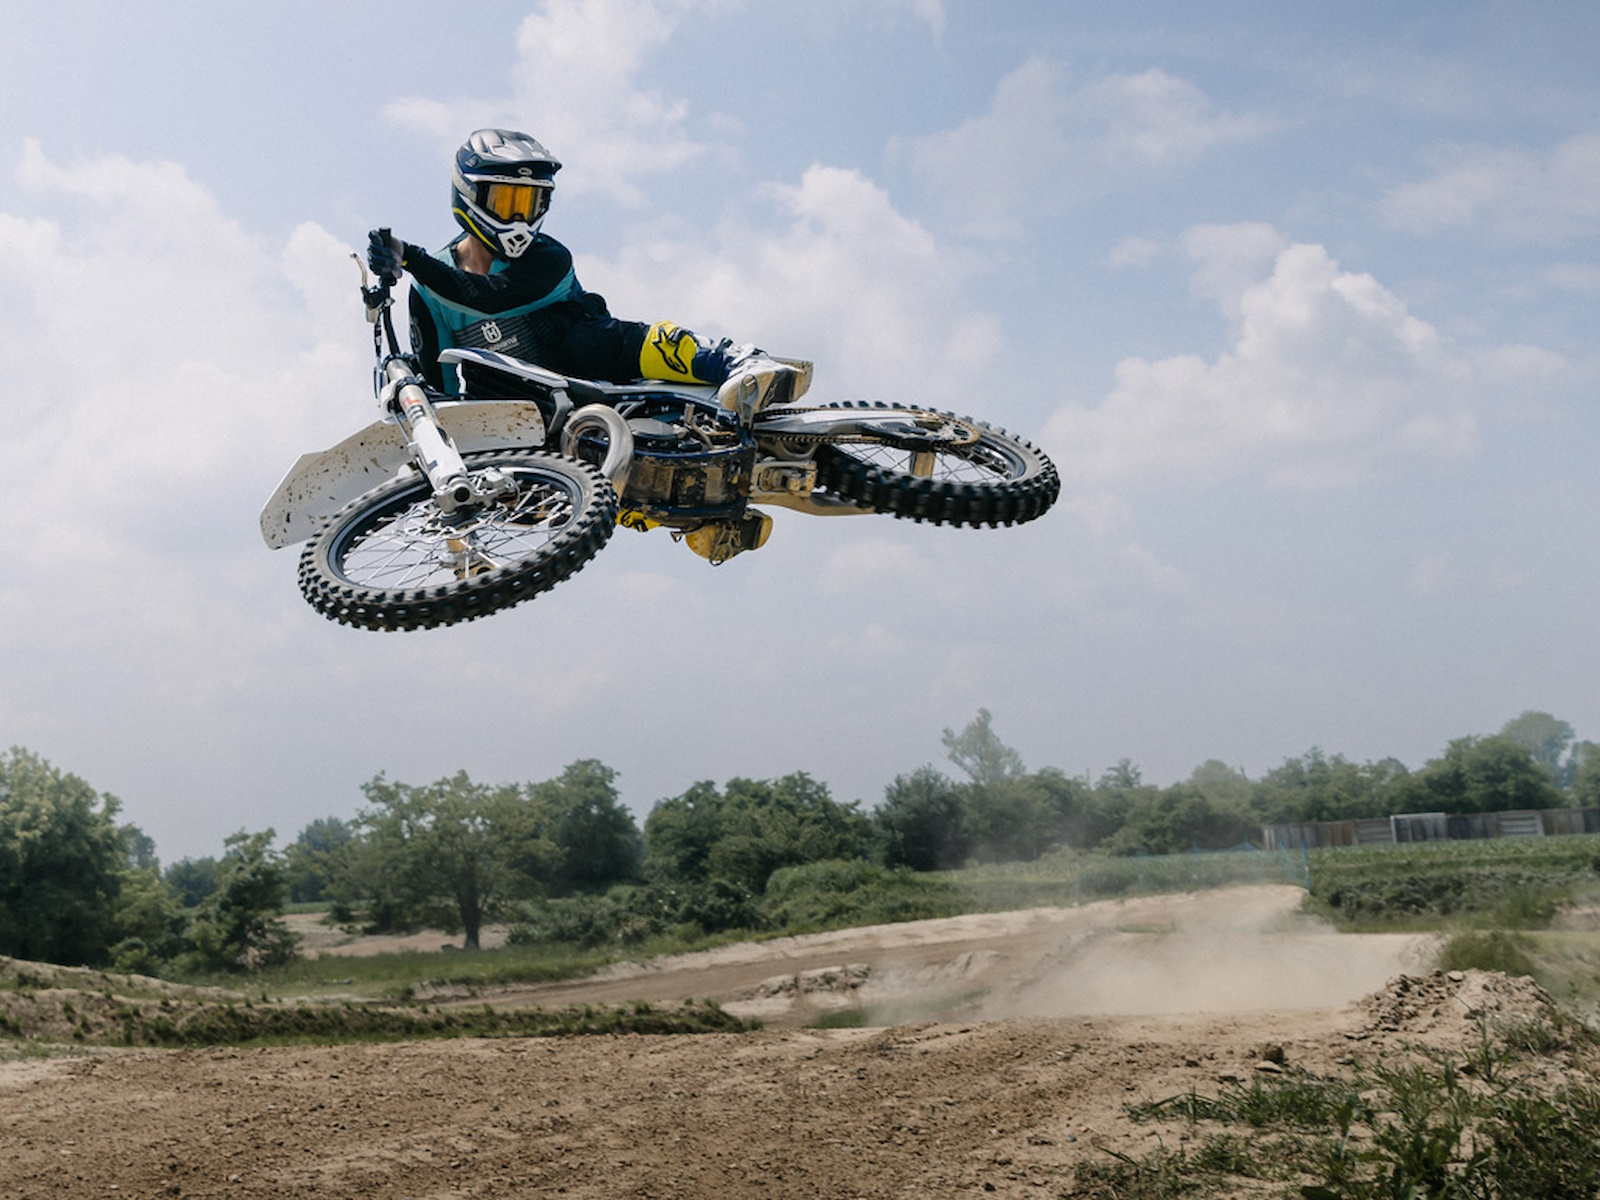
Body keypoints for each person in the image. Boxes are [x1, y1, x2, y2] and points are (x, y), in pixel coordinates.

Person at [366, 128, 803, 418]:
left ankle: (736, 360)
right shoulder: (428, 290)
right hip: (528, 415)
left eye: (531, 204)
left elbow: (489, 296)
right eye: (507, 202)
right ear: (469, 195)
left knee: (586, 336)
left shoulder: (548, 257)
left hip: (593, 377)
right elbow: (442, 388)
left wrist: (409, 257)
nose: (519, 218)